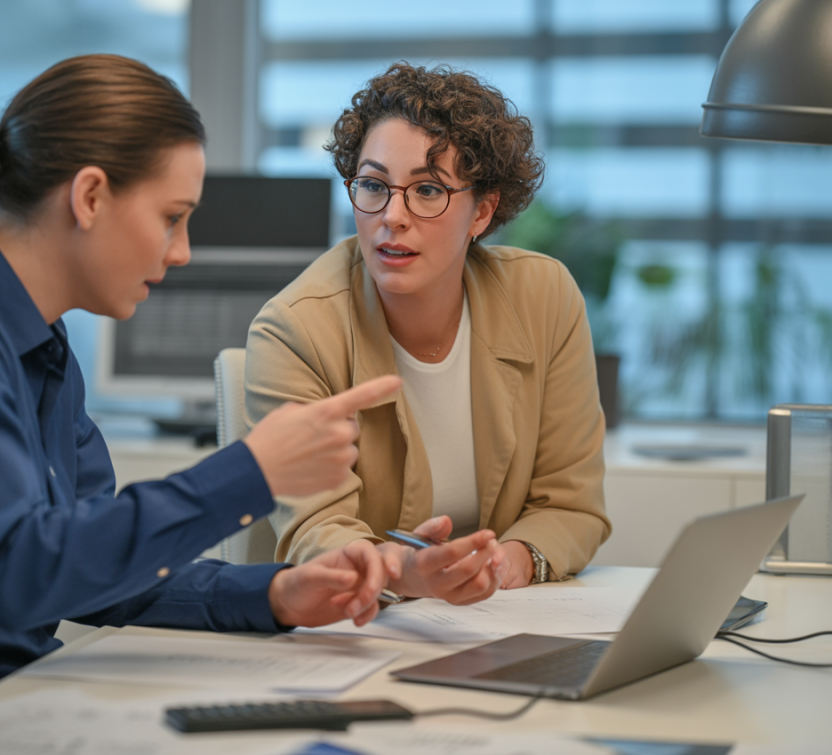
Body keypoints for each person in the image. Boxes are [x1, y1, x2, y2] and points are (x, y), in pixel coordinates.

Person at [0, 54, 402, 755]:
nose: (180, 252)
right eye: (172, 218)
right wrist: (252, 470)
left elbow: (90, 570)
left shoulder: (38, 341)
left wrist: (274, 595)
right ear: (89, 196)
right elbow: (23, 573)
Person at [244, 62, 611, 603]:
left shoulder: (545, 298)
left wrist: (504, 564)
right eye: (373, 185)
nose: (392, 216)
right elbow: (317, 530)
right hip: (348, 627)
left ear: (483, 210)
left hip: (494, 621)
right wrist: (403, 574)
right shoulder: (295, 329)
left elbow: (572, 504)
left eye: (427, 190)